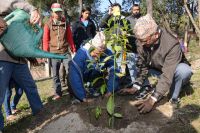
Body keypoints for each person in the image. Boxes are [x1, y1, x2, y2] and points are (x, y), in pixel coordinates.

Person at [128, 14, 192, 113]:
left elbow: (167, 74)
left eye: (144, 41)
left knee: (184, 71)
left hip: (172, 70)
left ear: (156, 35)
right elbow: (142, 64)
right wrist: (136, 85)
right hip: (157, 69)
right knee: (132, 58)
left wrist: (152, 99)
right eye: (139, 41)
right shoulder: (142, 40)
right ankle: (145, 88)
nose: (141, 44)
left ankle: (173, 96)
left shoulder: (172, 44)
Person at [0, 0, 43, 131]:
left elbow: (18, 4)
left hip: (19, 59)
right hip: (2, 56)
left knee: (30, 86)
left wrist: (33, 10)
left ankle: (40, 113)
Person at [68, 32, 119, 102]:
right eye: (96, 53)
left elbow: (115, 69)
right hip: (81, 79)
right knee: (72, 77)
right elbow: (75, 76)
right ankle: (78, 95)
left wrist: (110, 90)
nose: (98, 56)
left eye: (101, 53)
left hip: (95, 77)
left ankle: (94, 88)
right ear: (92, 47)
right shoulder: (81, 55)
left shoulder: (107, 53)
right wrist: (83, 98)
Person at [43, 3, 76, 100]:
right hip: (54, 53)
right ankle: (58, 93)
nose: (58, 13)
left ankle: (72, 92)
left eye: (59, 12)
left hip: (65, 52)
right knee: (55, 74)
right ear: (52, 13)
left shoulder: (66, 23)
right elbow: (45, 39)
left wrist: (73, 48)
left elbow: (69, 37)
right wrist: (45, 53)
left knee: (70, 71)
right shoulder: (48, 24)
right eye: (56, 12)